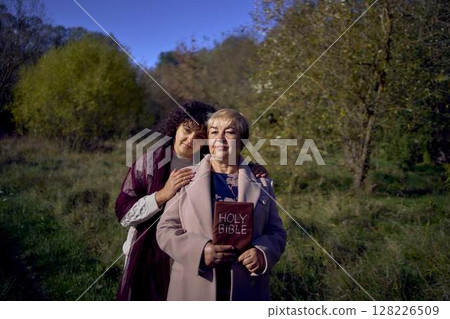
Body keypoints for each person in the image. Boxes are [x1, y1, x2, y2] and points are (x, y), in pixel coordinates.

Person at [115, 102, 268, 300]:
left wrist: (254, 169)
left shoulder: (206, 163)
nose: (190, 139)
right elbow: (124, 215)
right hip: (148, 253)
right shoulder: (151, 162)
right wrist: (163, 194)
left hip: (196, 258)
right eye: (186, 130)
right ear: (175, 126)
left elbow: (231, 159)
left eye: (200, 136)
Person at [156, 108, 286, 301]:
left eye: (230, 132)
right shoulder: (185, 179)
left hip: (247, 290)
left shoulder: (262, 183)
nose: (221, 138)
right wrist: (200, 251)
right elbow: (165, 230)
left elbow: (276, 232)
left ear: (242, 142)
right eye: (214, 132)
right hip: (193, 288)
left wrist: (261, 252)